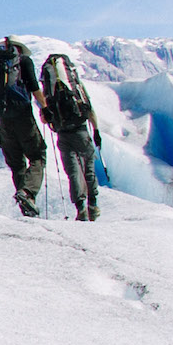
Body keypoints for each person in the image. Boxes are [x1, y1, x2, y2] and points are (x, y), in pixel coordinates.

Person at [0, 37, 50, 217]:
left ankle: (26, 205)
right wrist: (45, 109)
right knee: (38, 155)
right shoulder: (24, 62)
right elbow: (34, 88)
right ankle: (27, 194)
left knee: (16, 162)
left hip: (3, 119)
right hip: (22, 115)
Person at [38, 50, 103, 221]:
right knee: (88, 168)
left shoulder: (49, 89)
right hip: (81, 130)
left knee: (73, 172)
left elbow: (45, 118)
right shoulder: (76, 86)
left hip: (63, 135)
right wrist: (96, 131)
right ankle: (93, 205)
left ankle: (80, 208)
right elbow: (89, 108)